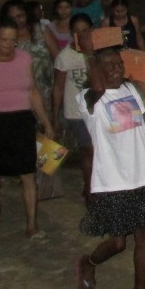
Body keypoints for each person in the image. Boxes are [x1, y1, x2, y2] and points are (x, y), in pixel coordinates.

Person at [75, 48, 145, 289]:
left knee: (144, 241)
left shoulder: (131, 90)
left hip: (144, 177)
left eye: (119, 64)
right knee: (117, 244)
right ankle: (88, 263)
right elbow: (97, 86)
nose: (116, 69)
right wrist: (90, 52)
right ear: (96, 71)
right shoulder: (89, 98)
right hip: (113, 181)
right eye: (108, 65)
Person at [0, 17, 54, 240]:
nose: (8, 45)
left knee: (28, 174)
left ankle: (32, 224)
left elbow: (33, 91)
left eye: (13, 40)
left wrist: (46, 122)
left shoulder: (24, 59)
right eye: (4, 39)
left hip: (21, 122)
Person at [52, 13, 95, 201]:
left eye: (85, 30)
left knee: (95, 151)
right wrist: (54, 116)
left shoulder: (97, 54)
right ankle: (90, 188)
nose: (82, 35)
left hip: (98, 111)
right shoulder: (64, 57)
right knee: (89, 149)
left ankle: (92, 186)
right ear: (71, 33)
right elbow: (58, 87)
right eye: (77, 31)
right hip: (76, 112)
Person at [1, 0, 57, 110]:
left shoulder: (41, 30)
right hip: (20, 90)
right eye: (12, 17)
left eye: (20, 16)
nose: (17, 20)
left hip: (46, 87)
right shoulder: (4, 38)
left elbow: (57, 56)